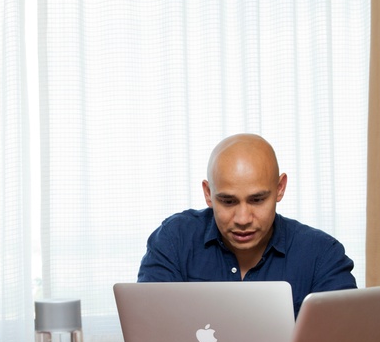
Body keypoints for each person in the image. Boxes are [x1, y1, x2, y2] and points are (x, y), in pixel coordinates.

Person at [137, 133, 356, 315]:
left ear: (280, 188)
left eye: (257, 200)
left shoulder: (322, 255)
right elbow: (148, 333)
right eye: (228, 201)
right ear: (208, 193)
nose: (243, 219)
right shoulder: (174, 241)